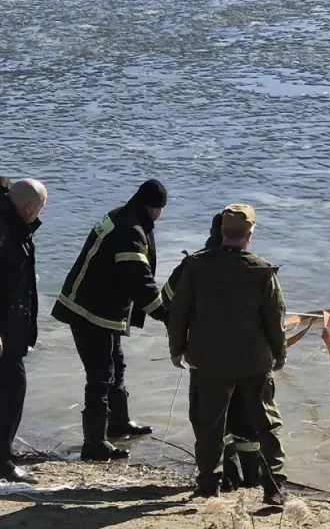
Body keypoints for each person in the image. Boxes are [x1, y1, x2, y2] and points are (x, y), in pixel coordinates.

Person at [168, 204, 288, 504]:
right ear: (250, 234)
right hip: (253, 361)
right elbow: (275, 318)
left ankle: (209, 484)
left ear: (221, 231)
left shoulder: (196, 266)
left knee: (208, 424)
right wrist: (280, 352)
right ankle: (273, 488)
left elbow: (179, 312)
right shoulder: (262, 271)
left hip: (209, 361)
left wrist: (176, 349)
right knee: (266, 423)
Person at [52, 179, 169, 461]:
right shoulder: (130, 230)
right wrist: (166, 315)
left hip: (97, 305)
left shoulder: (121, 216)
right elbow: (139, 279)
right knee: (101, 375)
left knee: (116, 363)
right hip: (90, 310)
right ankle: (94, 444)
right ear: (155, 209)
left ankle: (119, 423)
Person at [0, 180, 47, 484]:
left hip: (13, 328)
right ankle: (3, 462)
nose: (41, 214)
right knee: (13, 389)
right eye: (41, 208)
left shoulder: (14, 225)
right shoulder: (5, 232)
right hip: (5, 333)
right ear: (28, 207)